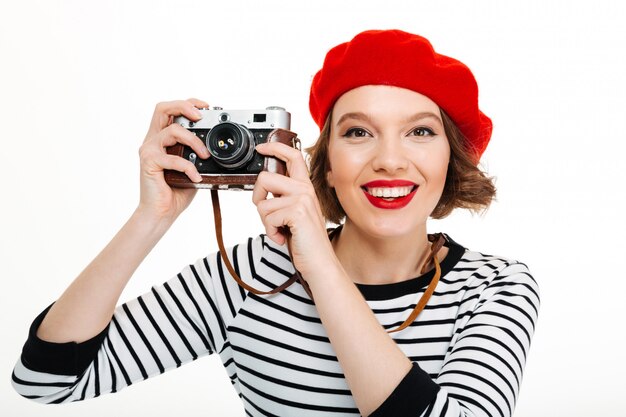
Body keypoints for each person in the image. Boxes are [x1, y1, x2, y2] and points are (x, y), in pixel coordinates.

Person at [11, 29, 539, 417]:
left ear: (452, 159)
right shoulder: (249, 274)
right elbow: (45, 381)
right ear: (325, 164)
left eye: (420, 133)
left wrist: (319, 266)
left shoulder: (498, 287)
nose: (391, 160)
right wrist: (152, 217)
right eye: (358, 133)